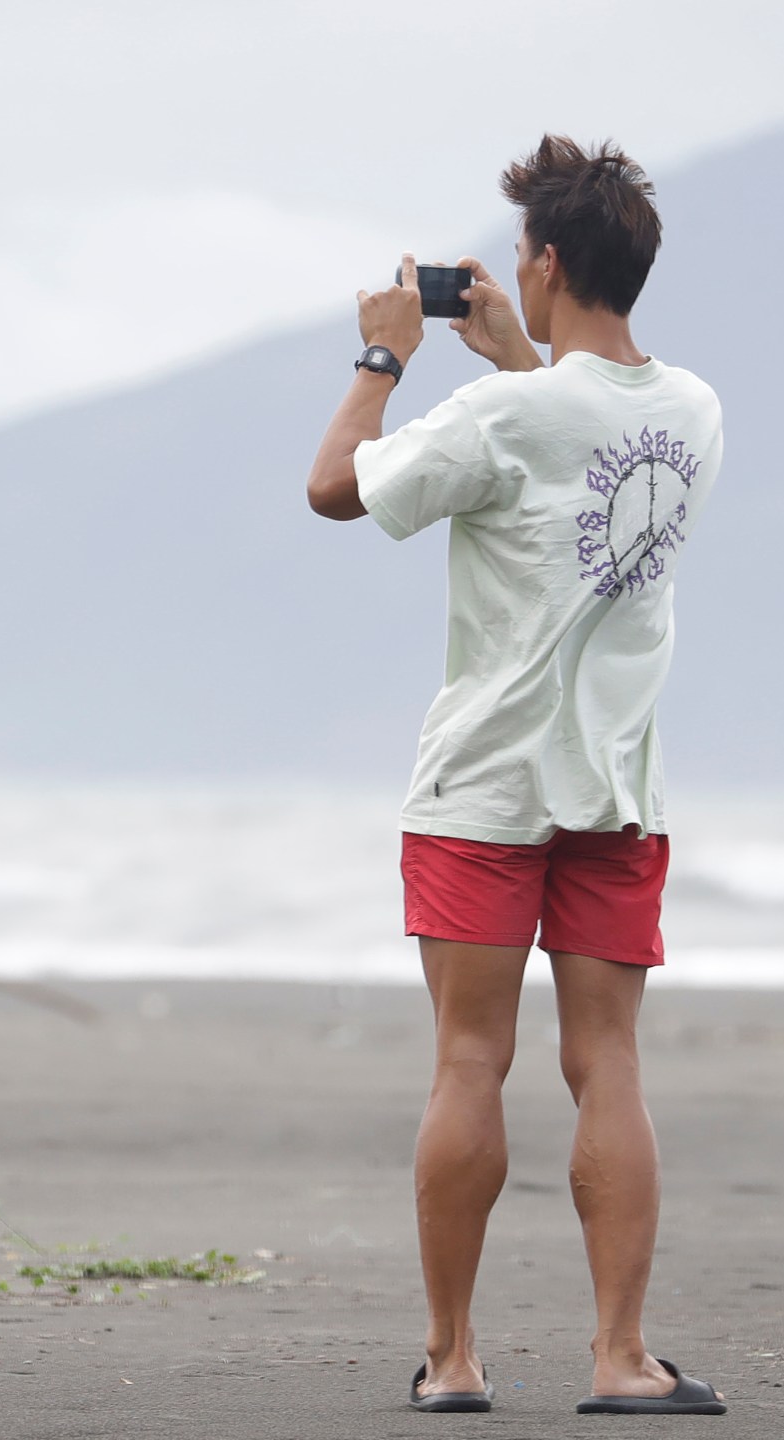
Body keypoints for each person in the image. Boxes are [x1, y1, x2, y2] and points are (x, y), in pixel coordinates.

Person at [304, 135, 729, 1418]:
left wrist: (387, 355)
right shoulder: (693, 409)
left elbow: (335, 488)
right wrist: (517, 358)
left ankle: (451, 1359)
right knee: (607, 1066)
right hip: (614, 789)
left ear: (540, 262)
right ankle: (621, 1357)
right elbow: (578, 446)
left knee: (467, 1063)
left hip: (485, 787)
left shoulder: (503, 414)